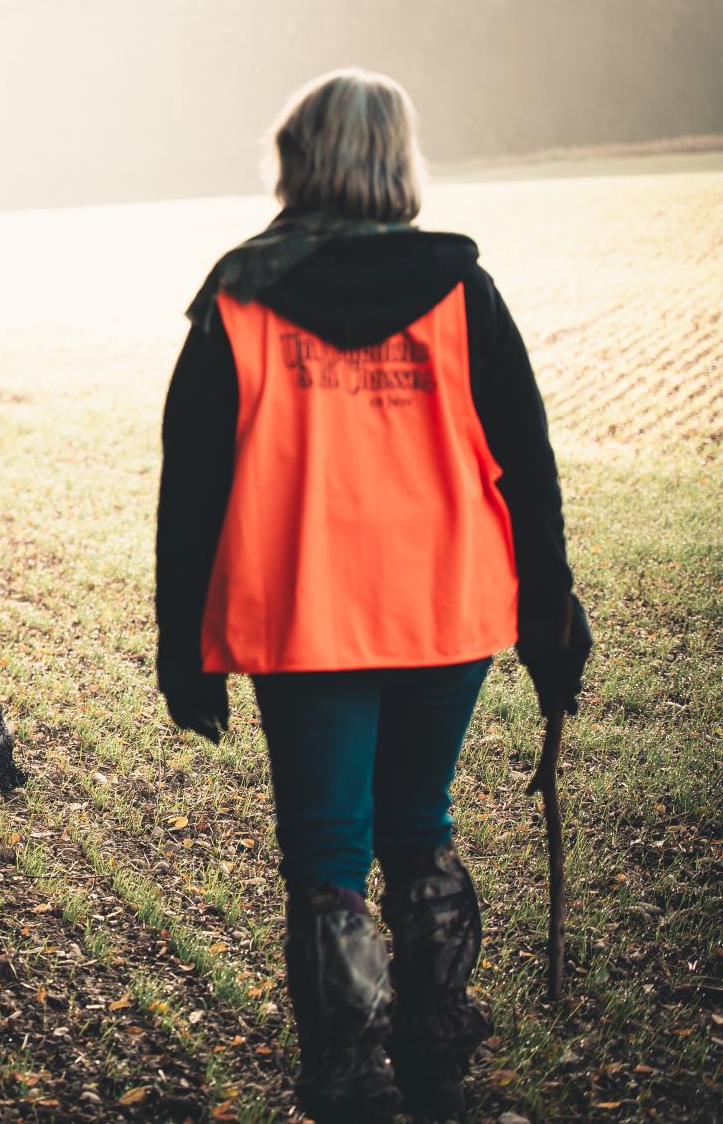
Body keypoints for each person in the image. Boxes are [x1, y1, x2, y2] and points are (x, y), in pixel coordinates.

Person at [154, 70, 593, 1124]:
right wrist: (549, 613)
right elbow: (527, 467)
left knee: (326, 853)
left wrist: (185, 647)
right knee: (421, 824)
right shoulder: (461, 288)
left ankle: (350, 1080)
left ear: (296, 158)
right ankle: (435, 1053)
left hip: (302, 617)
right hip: (446, 605)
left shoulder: (239, 292)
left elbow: (193, 486)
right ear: (399, 162)